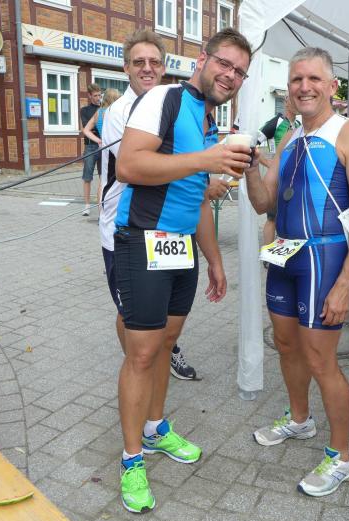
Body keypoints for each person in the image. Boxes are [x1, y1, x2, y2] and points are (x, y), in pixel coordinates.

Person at [112, 28, 252, 513]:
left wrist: (214, 260)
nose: (230, 75)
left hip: (181, 247)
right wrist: (206, 159)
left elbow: (196, 200)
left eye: (239, 72)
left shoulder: (209, 119)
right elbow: (129, 166)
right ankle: (131, 459)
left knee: (166, 343)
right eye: (224, 64)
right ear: (202, 59)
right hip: (142, 239)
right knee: (142, 353)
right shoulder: (163, 99)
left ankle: (154, 429)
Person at [243, 47, 349, 497]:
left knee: (321, 360)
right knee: (286, 345)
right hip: (285, 256)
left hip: (324, 259)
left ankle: (343, 457)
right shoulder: (289, 137)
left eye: (314, 79)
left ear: (332, 86)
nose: (304, 87)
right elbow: (264, 203)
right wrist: (250, 166)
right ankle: (300, 419)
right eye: (297, 79)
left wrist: (344, 285)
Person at [99, 30, 206, 387]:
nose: (147, 68)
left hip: (167, 229)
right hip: (124, 228)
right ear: (126, 68)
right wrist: (203, 172)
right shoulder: (120, 111)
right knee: (129, 312)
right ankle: (138, 368)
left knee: (163, 315)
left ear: (164, 67)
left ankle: (158, 356)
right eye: (139, 62)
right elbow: (139, 168)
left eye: (154, 62)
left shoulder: (172, 102)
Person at [259, 98, 300, 248]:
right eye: (293, 100)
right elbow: (253, 143)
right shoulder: (276, 122)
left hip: (293, 177)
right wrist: (268, 163)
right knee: (272, 217)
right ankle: (266, 254)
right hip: (276, 177)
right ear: (286, 102)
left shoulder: (299, 125)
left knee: (291, 215)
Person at [83, 88, 121, 209]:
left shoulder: (98, 112)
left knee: (103, 181)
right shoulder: (115, 112)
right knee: (117, 180)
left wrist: (99, 140)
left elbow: (86, 130)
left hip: (103, 149)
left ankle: (101, 212)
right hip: (115, 149)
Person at [79, 83, 103, 216]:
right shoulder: (84, 110)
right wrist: (95, 130)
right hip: (90, 146)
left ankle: (101, 205)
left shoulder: (104, 108)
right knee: (87, 176)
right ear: (89, 96)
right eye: (95, 96)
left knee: (103, 177)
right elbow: (87, 128)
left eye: (99, 95)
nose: (98, 98)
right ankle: (87, 205)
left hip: (104, 146)